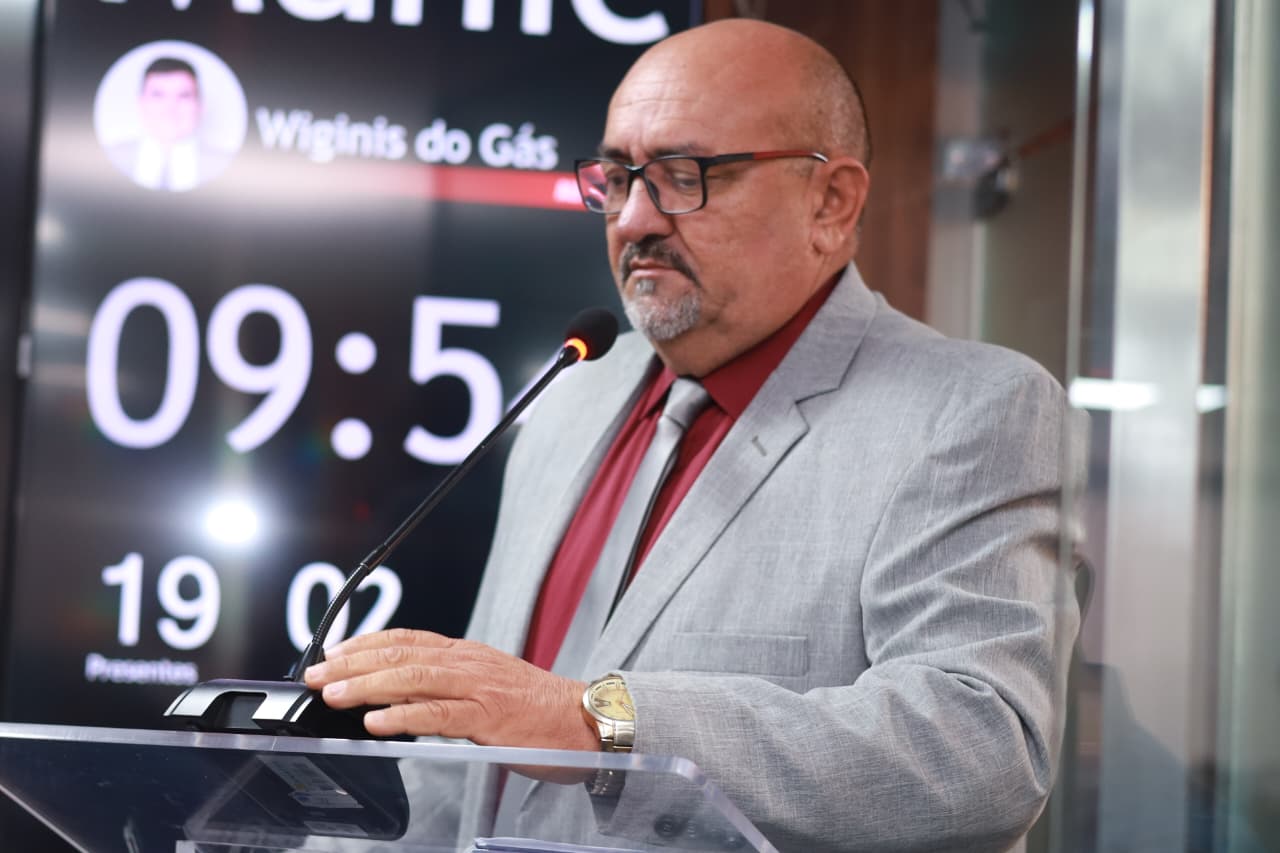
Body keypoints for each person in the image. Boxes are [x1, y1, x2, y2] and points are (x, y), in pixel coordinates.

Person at [303, 18, 1087, 852]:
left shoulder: (973, 410)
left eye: (686, 176)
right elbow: (476, 773)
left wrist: (599, 723)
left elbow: (981, 748)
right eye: (617, 177)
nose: (635, 217)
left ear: (831, 200)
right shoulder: (574, 392)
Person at [103, 56, 235, 192]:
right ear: (141, 102)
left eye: (184, 95)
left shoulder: (227, 165)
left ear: (200, 105)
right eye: (158, 95)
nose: (170, 107)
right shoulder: (109, 159)